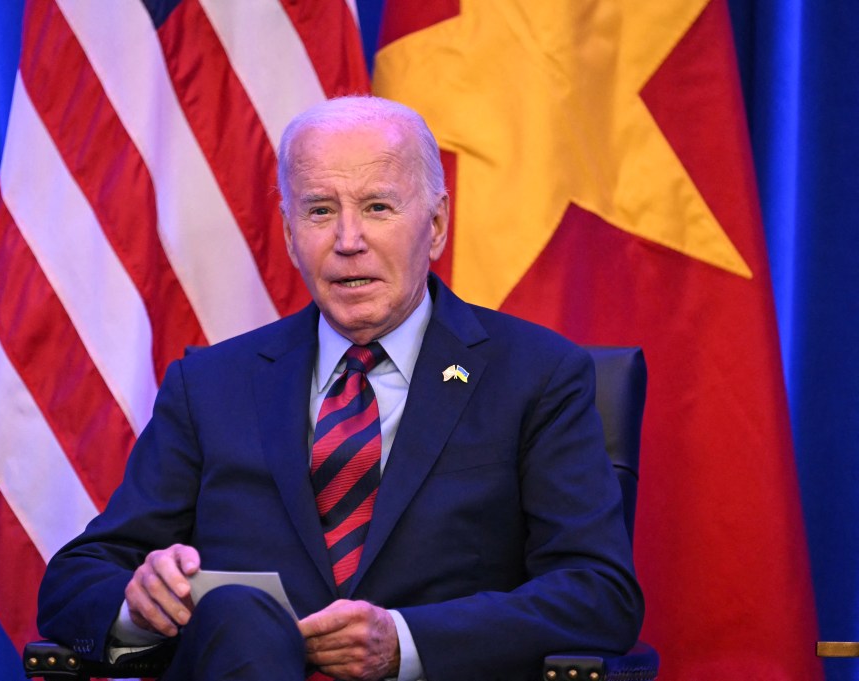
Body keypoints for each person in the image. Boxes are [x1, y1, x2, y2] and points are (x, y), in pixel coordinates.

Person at [37, 95, 644, 681]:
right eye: (320, 210)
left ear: (435, 225)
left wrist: (404, 641)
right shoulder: (211, 385)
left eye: (378, 207)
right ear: (288, 232)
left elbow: (598, 593)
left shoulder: (535, 375)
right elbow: (75, 581)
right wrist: (139, 602)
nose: (348, 239)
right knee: (237, 615)